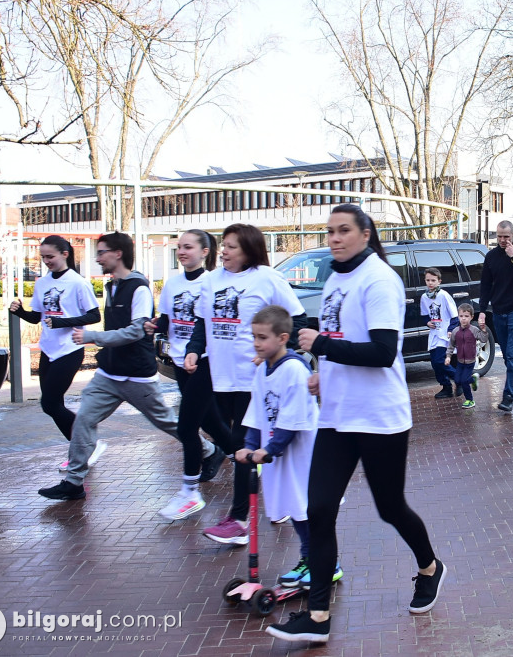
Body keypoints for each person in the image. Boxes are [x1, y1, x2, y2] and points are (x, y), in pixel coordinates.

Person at [269, 204, 445, 643]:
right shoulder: (333, 279)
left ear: (365, 234)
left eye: (344, 230)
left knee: (390, 508)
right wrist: (320, 373)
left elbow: (383, 352)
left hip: (379, 417)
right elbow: (341, 346)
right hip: (336, 416)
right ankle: (317, 617)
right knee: (320, 508)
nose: (334, 238)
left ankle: (430, 566)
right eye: (329, 231)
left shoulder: (379, 279)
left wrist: (324, 346)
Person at [38, 232, 216, 501]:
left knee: (168, 423)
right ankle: (74, 482)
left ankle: (208, 451)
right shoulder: (112, 285)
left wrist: (92, 337)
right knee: (85, 418)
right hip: (108, 373)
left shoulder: (139, 288)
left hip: (136, 375)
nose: (97, 258)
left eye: (101, 252)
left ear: (117, 253)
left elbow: (134, 332)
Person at [185, 223, 308, 545]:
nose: (224, 251)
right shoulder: (210, 280)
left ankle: (239, 520)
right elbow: (202, 322)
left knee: (243, 444)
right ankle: (279, 501)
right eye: (223, 245)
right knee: (232, 439)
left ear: (249, 250)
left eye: (231, 247)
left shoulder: (267, 278)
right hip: (219, 377)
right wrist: (193, 350)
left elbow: (299, 321)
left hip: (253, 380)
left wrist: (274, 357)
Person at [235, 306, 343, 590]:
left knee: (308, 508)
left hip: (302, 453)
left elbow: (293, 419)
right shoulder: (262, 371)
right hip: (277, 453)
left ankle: (329, 564)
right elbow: (256, 413)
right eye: (254, 337)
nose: (256, 343)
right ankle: (309, 558)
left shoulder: (294, 369)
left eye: (262, 338)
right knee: (293, 508)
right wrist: (248, 445)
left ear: (283, 338)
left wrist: (269, 449)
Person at [147, 230, 231, 521]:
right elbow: (168, 320)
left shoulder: (214, 282)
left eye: (188, 247)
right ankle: (247, 461)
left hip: (207, 362)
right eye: (179, 247)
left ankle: (189, 491)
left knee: (186, 428)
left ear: (205, 251)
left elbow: (210, 323)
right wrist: (154, 326)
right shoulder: (172, 284)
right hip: (181, 362)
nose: (181, 251)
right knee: (214, 424)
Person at [9, 235, 101, 470]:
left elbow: (94, 316)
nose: (46, 261)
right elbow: (38, 317)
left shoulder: (78, 283)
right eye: (43, 257)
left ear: (65, 254)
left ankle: (89, 444)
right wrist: (20, 311)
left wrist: (63, 323)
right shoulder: (42, 283)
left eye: (50, 256)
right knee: (53, 404)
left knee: (49, 404)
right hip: (48, 350)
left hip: (70, 349)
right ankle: (81, 451)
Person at [478, 221, 513, 411]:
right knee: (509, 358)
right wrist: (482, 312)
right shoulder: (491, 256)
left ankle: (509, 396)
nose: (502, 240)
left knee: (512, 356)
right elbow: (485, 285)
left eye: (506, 237)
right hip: (499, 312)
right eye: (499, 236)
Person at [420, 267, 458, 398]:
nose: (430, 283)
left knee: (439, 361)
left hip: (444, 334)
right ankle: (446, 387)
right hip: (434, 333)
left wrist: (450, 330)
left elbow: (454, 316)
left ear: (439, 281)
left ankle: (461, 379)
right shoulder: (424, 297)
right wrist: (427, 322)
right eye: (428, 280)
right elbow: (425, 314)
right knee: (434, 363)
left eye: (433, 280)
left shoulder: (444, 295)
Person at [445, 303, 488, 409]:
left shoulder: (473, 330)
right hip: (460, 361)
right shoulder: (455, 331)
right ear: (458, 317)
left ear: (471, 317)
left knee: (464, 381)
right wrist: (448, 356)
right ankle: (473, 380)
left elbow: (483, 339)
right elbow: (451, 345)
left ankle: (470, 400)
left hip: (470, 361)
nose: (463, 319)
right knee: (458, 380)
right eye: (461, 316)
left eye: (466, 316)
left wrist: (483, 329)